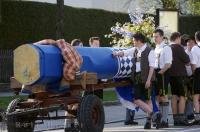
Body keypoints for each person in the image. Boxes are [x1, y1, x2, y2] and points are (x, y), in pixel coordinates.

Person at [113, 33, 161, 129]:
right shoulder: (135, 50)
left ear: (139, 41)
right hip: (137, 77)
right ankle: (154, 114)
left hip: (147, 78)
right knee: (137, 99)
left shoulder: (149, 51)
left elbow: (152, 67)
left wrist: (148, 80)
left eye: (134, 40)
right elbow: (125, 52)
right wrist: (116, 54)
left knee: (147, 99)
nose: (133, 42)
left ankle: (148, 121)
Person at [169, 32, 190, 126]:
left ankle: (175, 119)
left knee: (174, 96)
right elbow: (187, 60)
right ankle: (181, 118)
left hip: (171, 75)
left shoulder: (168, 48)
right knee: (182, 96)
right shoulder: (179, 47)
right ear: (178, 38)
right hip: (181, 75)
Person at [153, 29, 172, 128]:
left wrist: (160, 73)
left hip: (163, 73)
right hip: (156, 73)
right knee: (158, 96)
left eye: (156, 36)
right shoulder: (156, 48)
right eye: (154, 36)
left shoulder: (166, 48)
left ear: (161, 37)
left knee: (163, 96)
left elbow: (168, 64)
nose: (154, 38)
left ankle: (165, 120)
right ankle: (160, 118)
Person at [191, 31, 200, 124]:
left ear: (196, 38)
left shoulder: (195, 48)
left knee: (196, 96)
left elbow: (193, 64)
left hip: (198, 71)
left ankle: (197, 117)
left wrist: (193, 73)